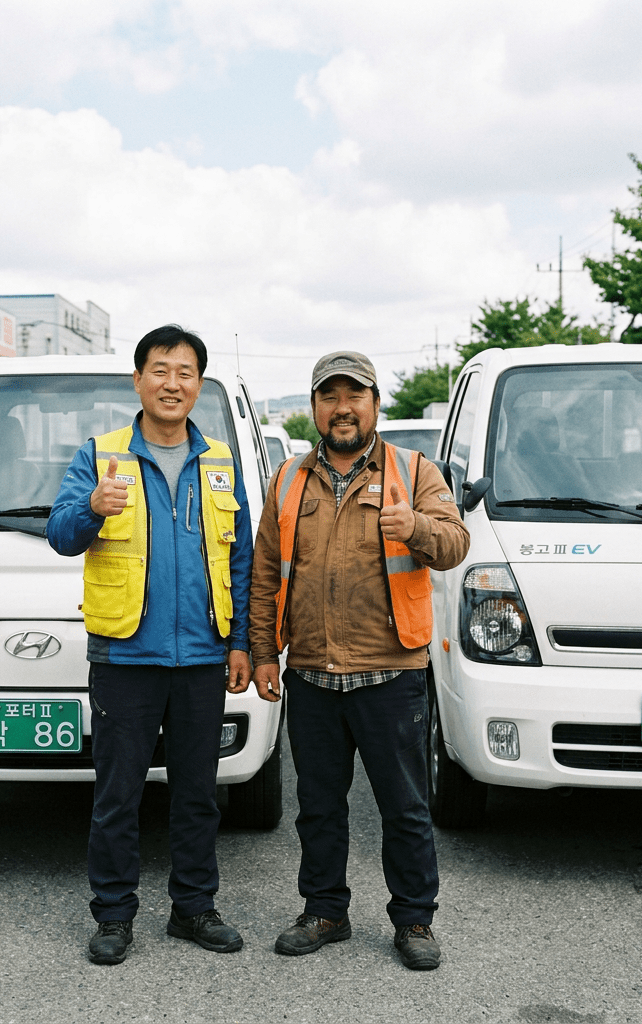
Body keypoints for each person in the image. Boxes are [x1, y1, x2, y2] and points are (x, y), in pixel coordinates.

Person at [249, 351, 470, 970]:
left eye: (355, 395)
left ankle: (415, 920)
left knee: (404, 806)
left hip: (392, 672)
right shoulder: (290, 479)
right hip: (312, 674)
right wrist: (265, 651)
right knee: (318, 805)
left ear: (376, 404)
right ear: (314, 407)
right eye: (329, 396)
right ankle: (325, 910)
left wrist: (416, 528)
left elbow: (455, 544)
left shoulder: (414, 469)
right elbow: (266, 572)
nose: (342, 408)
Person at [47, 325, 253, 966]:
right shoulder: (101, 456)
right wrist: (91, 508)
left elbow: (240, 558)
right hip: (124, 658)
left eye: (186, 372)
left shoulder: (220, 461)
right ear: (137, 380)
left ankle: (194, 909)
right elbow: (59, 534)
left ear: (199, 385)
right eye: (160, 370)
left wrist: (242, 642)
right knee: (118, 796)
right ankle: (113, 916)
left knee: (197, 796)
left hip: (201, 658)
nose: (173, 383)